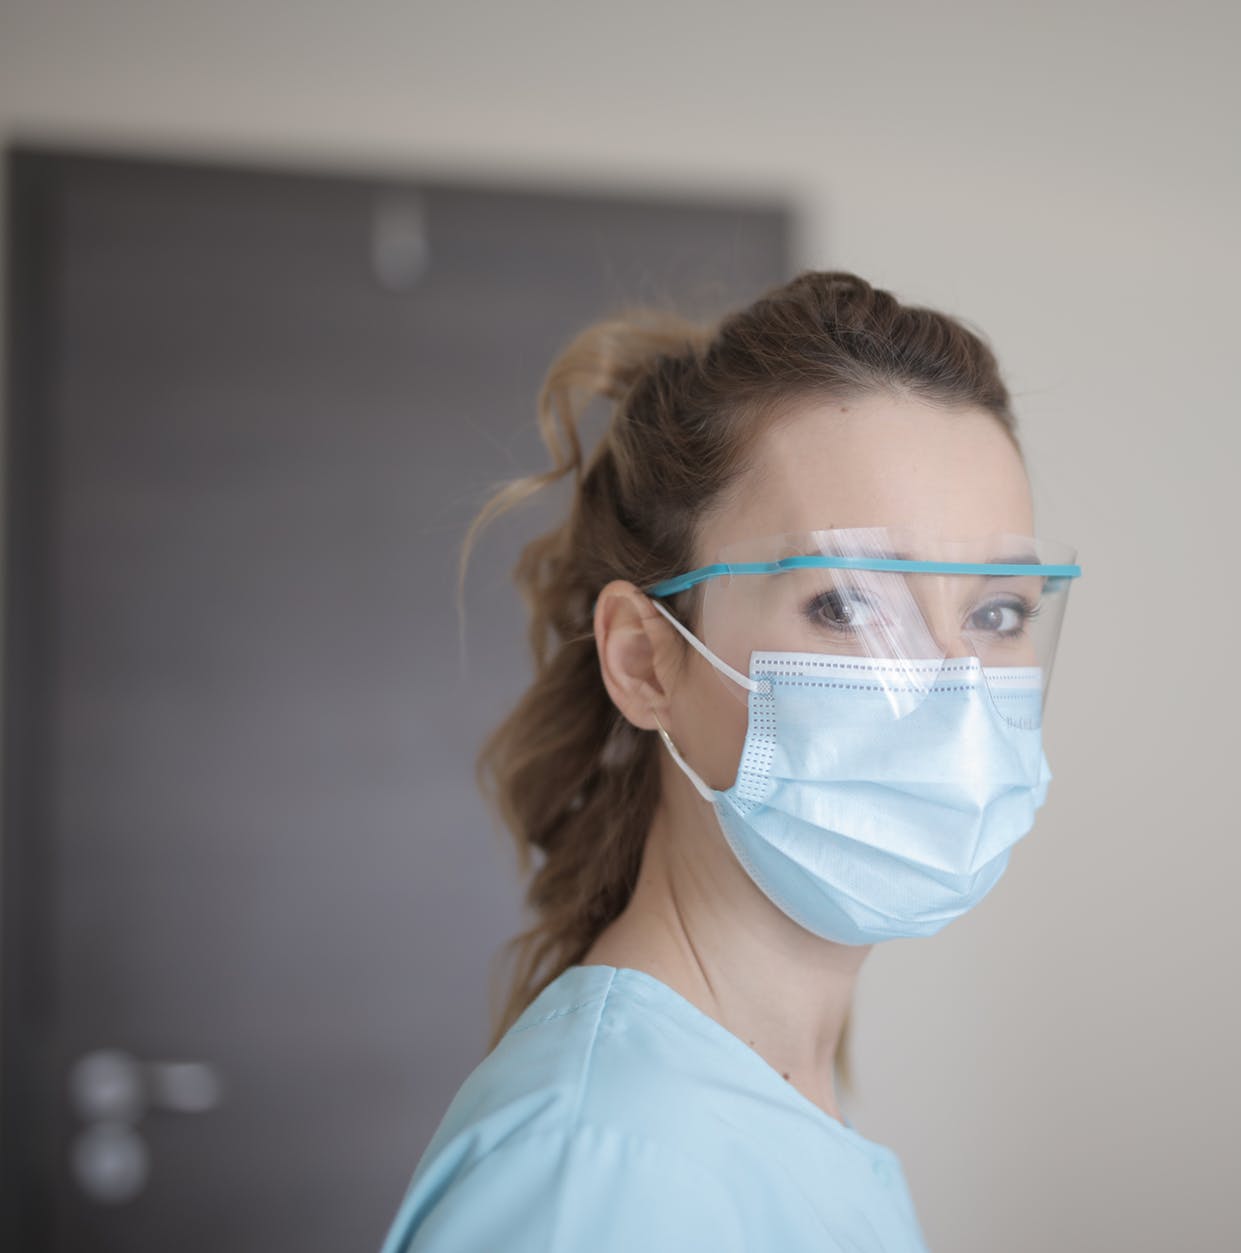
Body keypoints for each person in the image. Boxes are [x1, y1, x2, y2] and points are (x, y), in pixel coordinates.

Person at [377, 270, 1080, 1251]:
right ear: (643, 658)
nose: (953, 697)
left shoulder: (766, 1096)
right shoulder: (593, 1169)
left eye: (996, 612)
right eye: (845, 604)